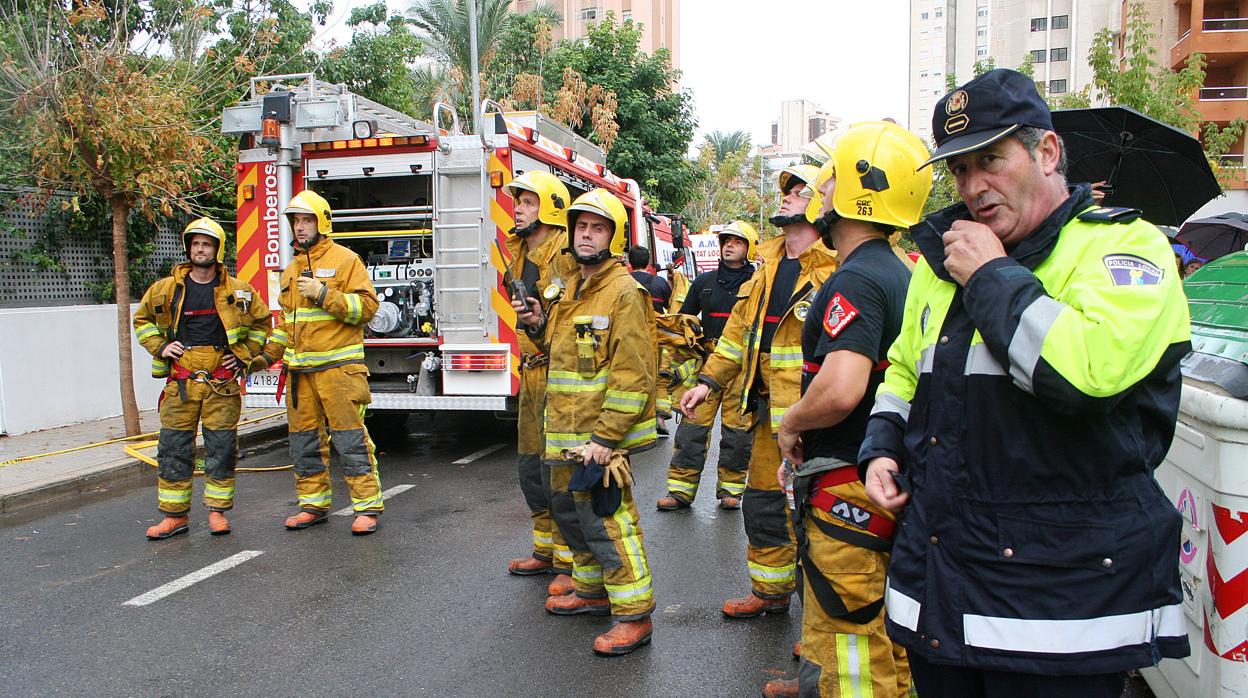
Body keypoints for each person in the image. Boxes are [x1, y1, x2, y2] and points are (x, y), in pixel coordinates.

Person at [861, 68, 1191, 697]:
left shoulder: (1124, 248)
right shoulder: (943, 259)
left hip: (1057, 616)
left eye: (991, 159)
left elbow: (1083, 375)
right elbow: (906, 367)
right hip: (943, 593)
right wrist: (881, 444)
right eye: (959, 169)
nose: (974, 186)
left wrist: (990, 276)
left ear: (1046, 151)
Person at [764, 122, 933, 697]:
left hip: (846, 483)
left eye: (830, 174)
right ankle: (815, 682)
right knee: (865, 615)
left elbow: (841, 389)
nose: (819, 185)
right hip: (876, 477)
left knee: (850, 627)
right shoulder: (897, 271)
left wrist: (790, 422)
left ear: (857, 191)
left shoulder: (855, 280)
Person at [681, 165, 839, 618]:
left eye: (799, 191)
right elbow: (735, 336)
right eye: (785, 190)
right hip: (768, 415)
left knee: (815, 519)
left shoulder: (834, 269)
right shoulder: (766, 266)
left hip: (814, 420)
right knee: (764, 506)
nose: (786, 197)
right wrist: (707, 382)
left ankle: (818, 626)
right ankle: (770, 594)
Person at [514, 188, 659, 656]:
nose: (587, 235)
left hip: (598, 440)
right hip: (565, 435)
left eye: (598, 228)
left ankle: (634, 615)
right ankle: (593, 592)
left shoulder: (624, 293)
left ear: (614, 238)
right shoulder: (568, 288)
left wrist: (606, 437)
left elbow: (633, 372)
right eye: (581, 227)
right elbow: (557, 354)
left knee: (609, 524)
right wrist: (538, 322)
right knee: (573, 520)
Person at [134, 218, 273, 540]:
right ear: (188, 248)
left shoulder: (239, 292)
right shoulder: (165, 290)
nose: (200, 249)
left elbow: (262, 325)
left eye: (206, 244)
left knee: (221, 448)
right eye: (195, 243)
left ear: (217, 250)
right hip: (181, 381)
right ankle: (174, 516)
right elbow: (142, 321)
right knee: (173, 448)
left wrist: (242, 356)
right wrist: (161, 346)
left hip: (220, 381)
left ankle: (217, 512)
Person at [258, 189, 384, 536]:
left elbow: (367, 309)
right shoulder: (290, 270)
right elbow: (287, 324)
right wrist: (265, 356)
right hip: (300, 376)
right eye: (295, 221)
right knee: (304, 443)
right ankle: (312, 504)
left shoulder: (346, 261)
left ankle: (367, 507)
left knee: (350, 440)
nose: (300, 228)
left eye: (306, 220)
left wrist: (325, 294)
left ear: (322, 222)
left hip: (338, 373)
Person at [502, 171, 578, 593]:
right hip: (530, 371)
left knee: (558, 471)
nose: (518, 209)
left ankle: (570, 563)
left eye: (528, 202)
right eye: (518, 202)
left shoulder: (565, 257)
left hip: (559, 373)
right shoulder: (518, 256)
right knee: (531, 466)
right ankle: (545, 550)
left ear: (548, 208)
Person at [656, 220, 758, 512]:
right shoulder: (704, 283)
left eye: (736, 242)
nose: (728, 245)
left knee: (738, 434)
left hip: (742, 368)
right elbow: (684, 320)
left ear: (748, 247)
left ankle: (731, 490)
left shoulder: (759, 284)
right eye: (725, 240)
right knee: (691, 430)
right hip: (707, 365)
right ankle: (680, 491)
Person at [628, 245, 673, 312]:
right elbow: (671, 305)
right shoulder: (660, 282)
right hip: (656, 322)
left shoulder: (621, 282)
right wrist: (670, 280)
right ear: (648, 261)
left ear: (630, 262)